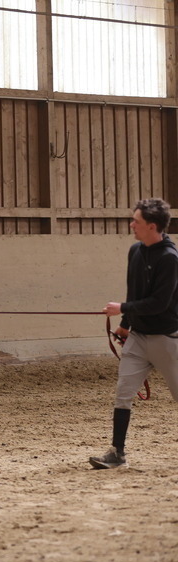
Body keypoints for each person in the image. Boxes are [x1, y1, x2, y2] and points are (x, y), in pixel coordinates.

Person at [93, 198, 178, 469]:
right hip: (138, 338)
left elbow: (159, 303)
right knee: (123, 393)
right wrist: (125, 323)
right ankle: (117, 453)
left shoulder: (169, 258)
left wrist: (122, 308)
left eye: (136, 221)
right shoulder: (136, 251)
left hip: (167, 340)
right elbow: (134, 291)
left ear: (151, 226)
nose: (131, 225)